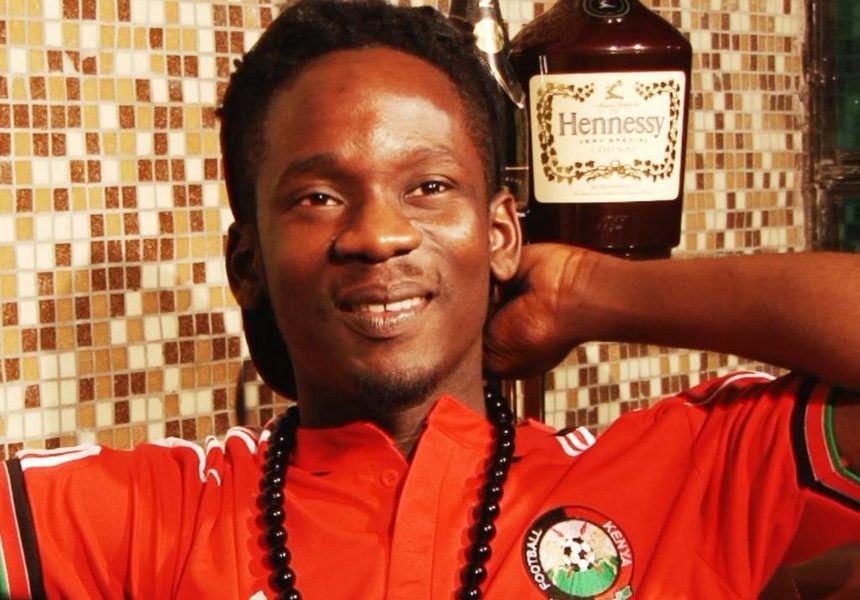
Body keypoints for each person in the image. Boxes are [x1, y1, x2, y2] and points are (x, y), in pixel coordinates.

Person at [0, 0, 858, 598]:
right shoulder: (153, 517)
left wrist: (588, 288)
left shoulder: (685, 478)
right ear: (248, 262)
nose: (379, 234)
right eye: (318, 197)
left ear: (501, 232)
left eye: (430, 186)